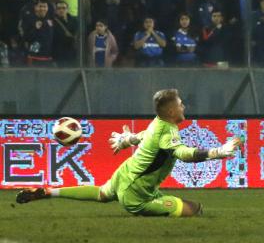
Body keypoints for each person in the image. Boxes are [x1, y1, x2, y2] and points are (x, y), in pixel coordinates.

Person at [16, 89, 240, 217]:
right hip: (136, 194)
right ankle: (154, 206)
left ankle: (48, 192)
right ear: (172, 111)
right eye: (181, 105)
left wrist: (127, 139)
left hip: (125, 173)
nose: (183, 107)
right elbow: (183, 153)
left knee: (103, 193)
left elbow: (145, 136)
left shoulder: (157, 123)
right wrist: (218, 151)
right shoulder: (167, 131)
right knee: (195, 210)